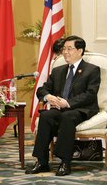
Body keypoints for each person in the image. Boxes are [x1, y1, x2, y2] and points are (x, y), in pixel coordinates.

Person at [26, 35, 101, 176]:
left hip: (81, 108)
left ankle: (65, 162)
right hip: (60, 108)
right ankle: (42, 161)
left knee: (67, 116)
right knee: (46, 115)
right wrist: (48, 96)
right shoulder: (58, 70)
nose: (65, 52)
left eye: (69, 49)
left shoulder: (92, 70)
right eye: (64, 49)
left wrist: (68, 102)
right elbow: (42, 89)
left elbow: (90, 94)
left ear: (80, 51)